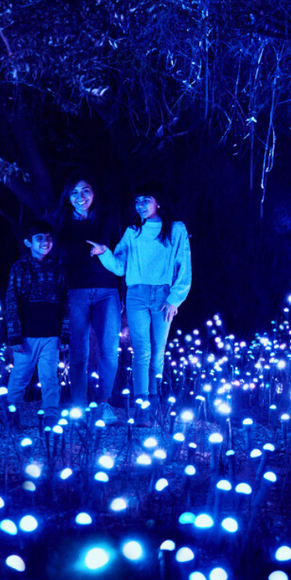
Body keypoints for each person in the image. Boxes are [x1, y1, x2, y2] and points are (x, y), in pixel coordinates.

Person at [88, 180, 192, 426]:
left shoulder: (176, 229)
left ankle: (154, 406)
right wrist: (105, 253)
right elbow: (120, 267)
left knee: (158, 353)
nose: (140, 205)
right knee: (142, 352)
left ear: (159, 202)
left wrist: (175, 298)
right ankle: (142, 410)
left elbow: (184, 264)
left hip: (163, 295)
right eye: (137, 201)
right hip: (136, 295)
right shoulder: (133, 232)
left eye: (146, 200)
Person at [55, 173, 122, 426]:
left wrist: (122, 293)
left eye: (85, 190)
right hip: (76, 291)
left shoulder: (108, 219)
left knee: (109, 349)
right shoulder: (61, 222)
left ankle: (103, 403)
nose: (80, 197)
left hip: (107, 290)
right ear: (67, 197)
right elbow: (57, 260)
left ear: (94, 193)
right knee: (78, 350)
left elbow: (120, 257)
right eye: (74, 192)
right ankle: (79, 407)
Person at [4, 220, 66, 426]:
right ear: (28, 242)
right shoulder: (20, 268)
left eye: (48, 238)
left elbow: (65, 301)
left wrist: (64, 334)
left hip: (51, 335)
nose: (45, 242)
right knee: (20, 377)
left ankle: (51, 416)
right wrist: (14, 336)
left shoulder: (57, 268)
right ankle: (11, 417)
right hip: (27, 336)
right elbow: (12, 301)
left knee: (50, 378)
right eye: (39, 238)